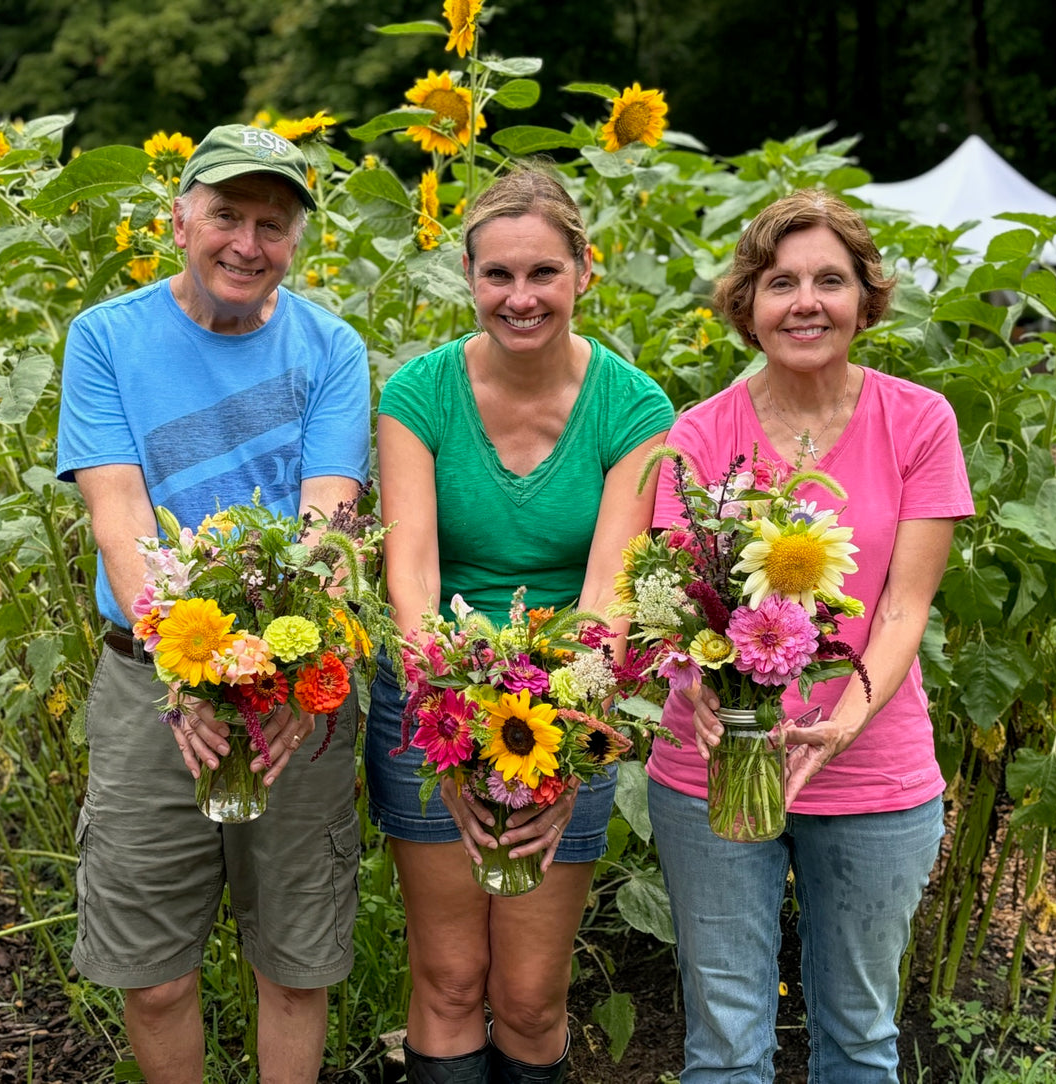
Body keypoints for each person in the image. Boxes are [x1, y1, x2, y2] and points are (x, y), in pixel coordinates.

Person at [55, 125, 370, 1084]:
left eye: (271, 224)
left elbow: (325, 524)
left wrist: (271, 677)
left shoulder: (332, 347)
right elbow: (120, 520)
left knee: (295, 961)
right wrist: (188, 671)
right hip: (151, 682)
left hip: (295, 686)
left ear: (297, 240)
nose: (246, 242)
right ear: (180, 217)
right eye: (226, 215)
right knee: (151, 974)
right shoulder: (106, 338)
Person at [646, 188, 973, 1084]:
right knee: (723, 1045)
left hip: (874, 771)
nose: (806, 302)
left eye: (830, 280)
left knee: (860, 1039)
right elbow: (678, 604)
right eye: (781, 281)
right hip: (715, 764)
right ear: (747, 304)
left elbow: (904, 608)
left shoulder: (917, 421)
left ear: (865, 300)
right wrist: (693, 691)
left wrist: (846, 719)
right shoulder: (699, 435)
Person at [368, 169, 674, 1083]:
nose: (521, 296)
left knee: (532, 993)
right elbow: (412, 579)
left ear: (585, 271)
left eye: (543, 272)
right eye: (497, 275)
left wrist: (559, 746)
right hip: (432, 703)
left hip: (571, 704)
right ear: (467, 277)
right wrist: (457, 743)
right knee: (452, 976)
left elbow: (607, 600)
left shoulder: (633, 408)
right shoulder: (418, 396)